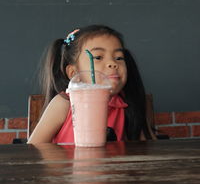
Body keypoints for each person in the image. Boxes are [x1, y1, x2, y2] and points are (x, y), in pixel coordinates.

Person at [27, 24, 156, 144]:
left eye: (119, 58)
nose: (113, 63)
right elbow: (33, 150)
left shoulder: (128, 105)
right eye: (98, 57)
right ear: (73, 72)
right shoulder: (64, 104)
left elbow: (148, 149)